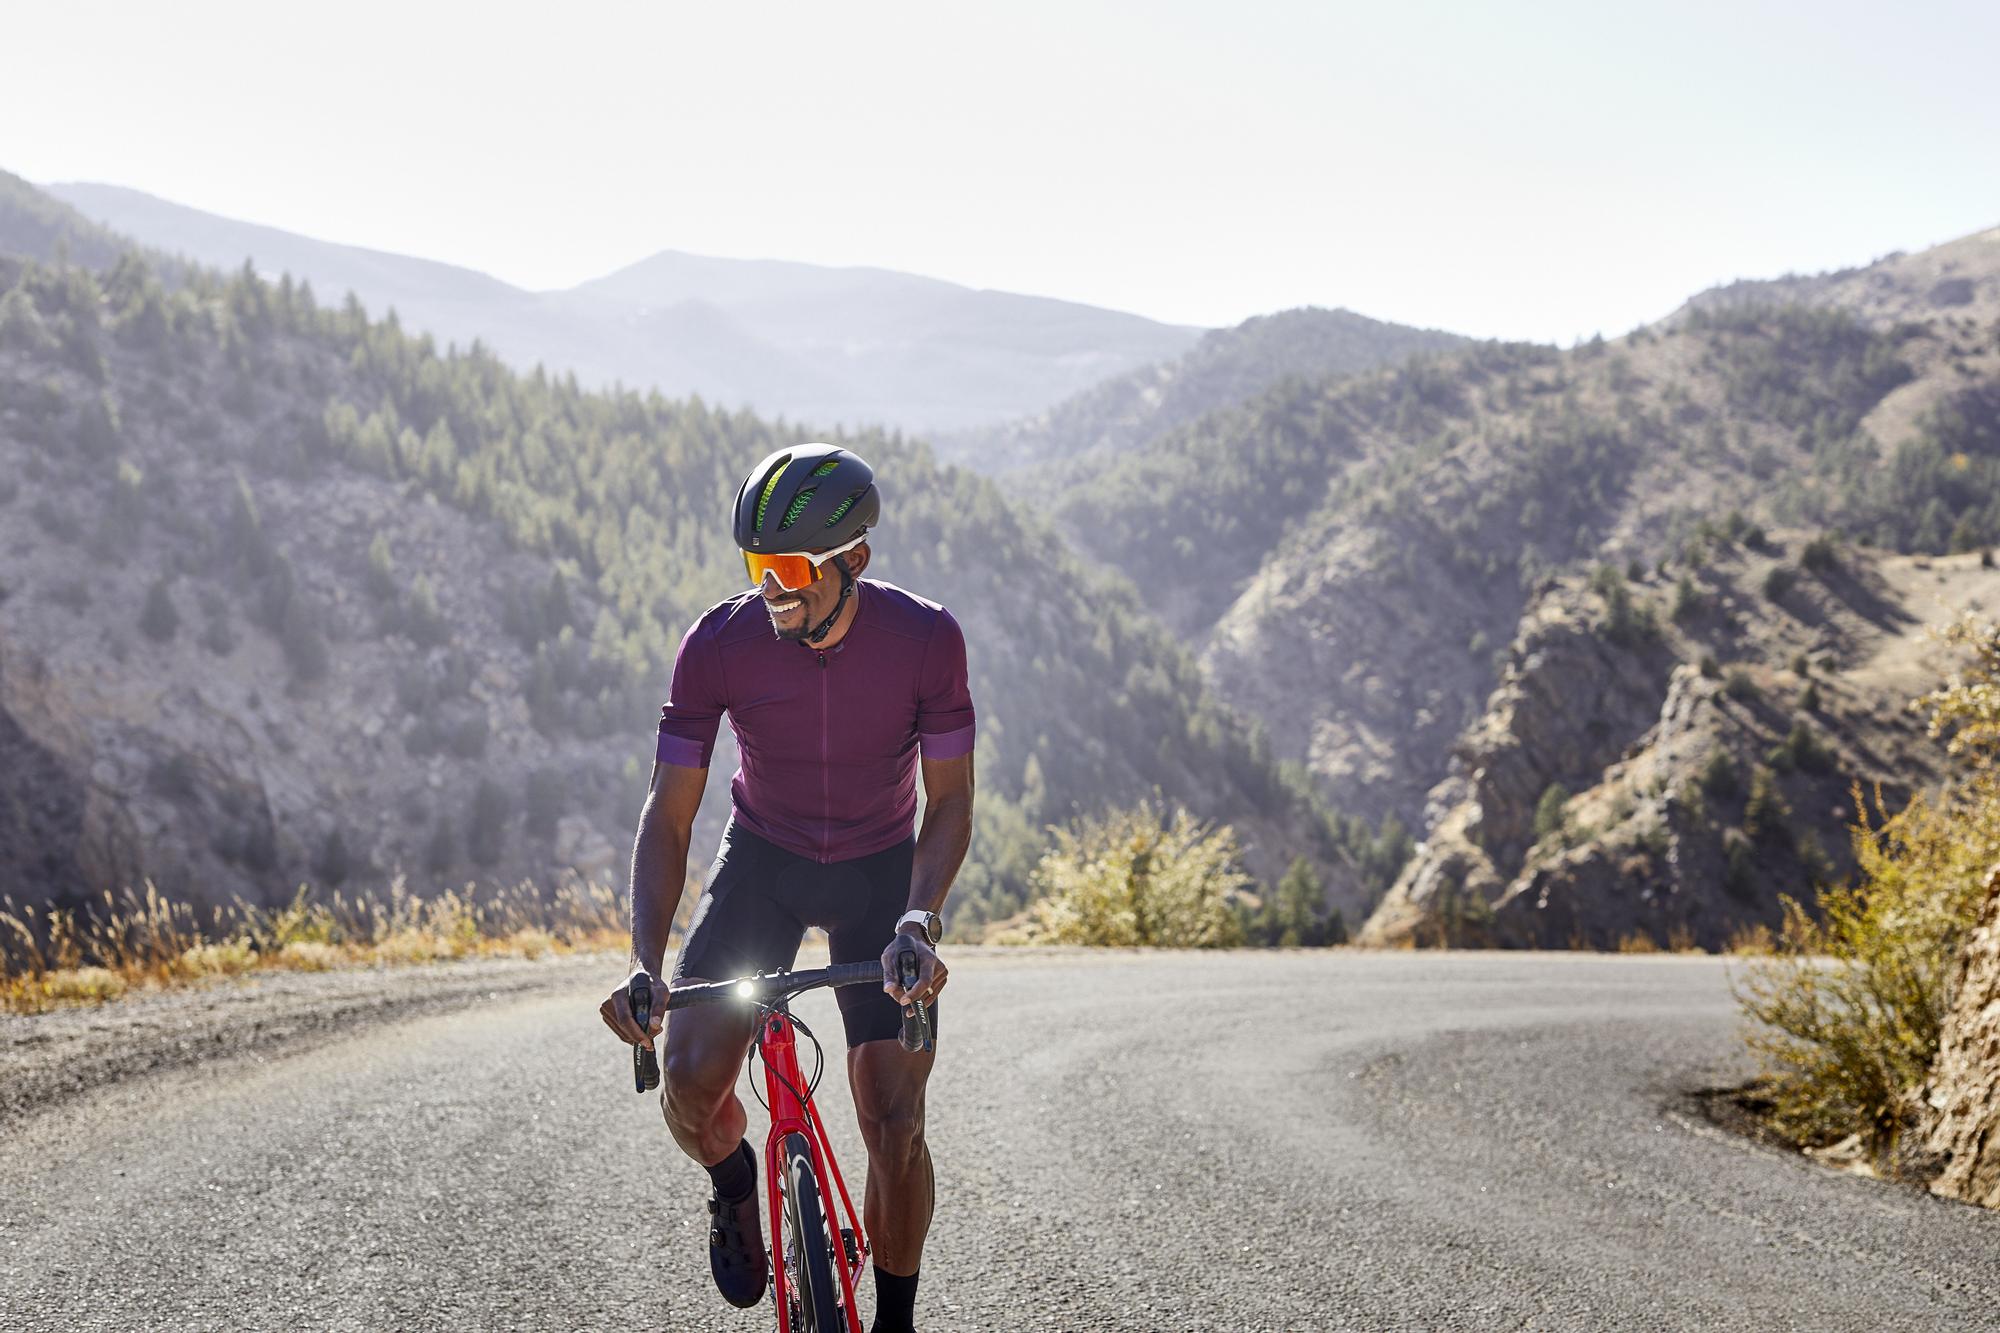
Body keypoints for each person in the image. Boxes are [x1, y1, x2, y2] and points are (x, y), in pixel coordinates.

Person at [600, 443, 974, 1333]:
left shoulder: (926, 639)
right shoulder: (719, 643)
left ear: (855, 560)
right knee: (688, 1082)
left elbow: (951, 802)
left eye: (790, 568)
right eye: (755, 566)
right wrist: (644, 963)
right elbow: (671, 809)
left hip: (882, 871)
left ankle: (895, 1321)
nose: (770, 587)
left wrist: (918, 921)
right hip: (763, 859)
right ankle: (736, 1182)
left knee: (894, 1117)